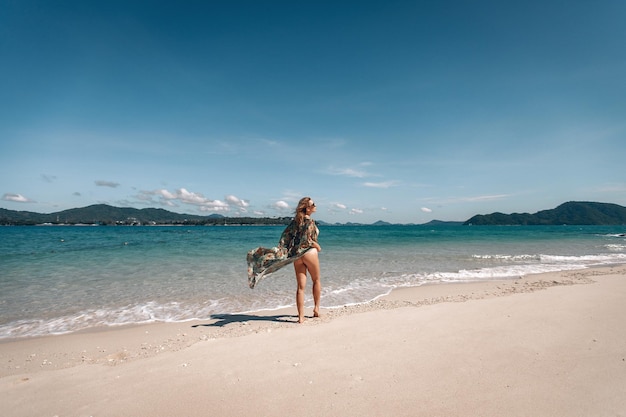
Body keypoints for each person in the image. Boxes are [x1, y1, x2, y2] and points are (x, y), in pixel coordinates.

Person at [247, 197, 322, 323]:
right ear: (307, 208)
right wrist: (317, 246)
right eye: (313, 204)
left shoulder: (295, 221)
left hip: (297, 256)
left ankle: (301, 317)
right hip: (309, 253)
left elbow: (285, 237)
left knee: (300, 287)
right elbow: (308, 240)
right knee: (316, 280)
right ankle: (316, 309)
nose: (315, 205)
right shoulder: (310, 221)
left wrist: (285, 250)